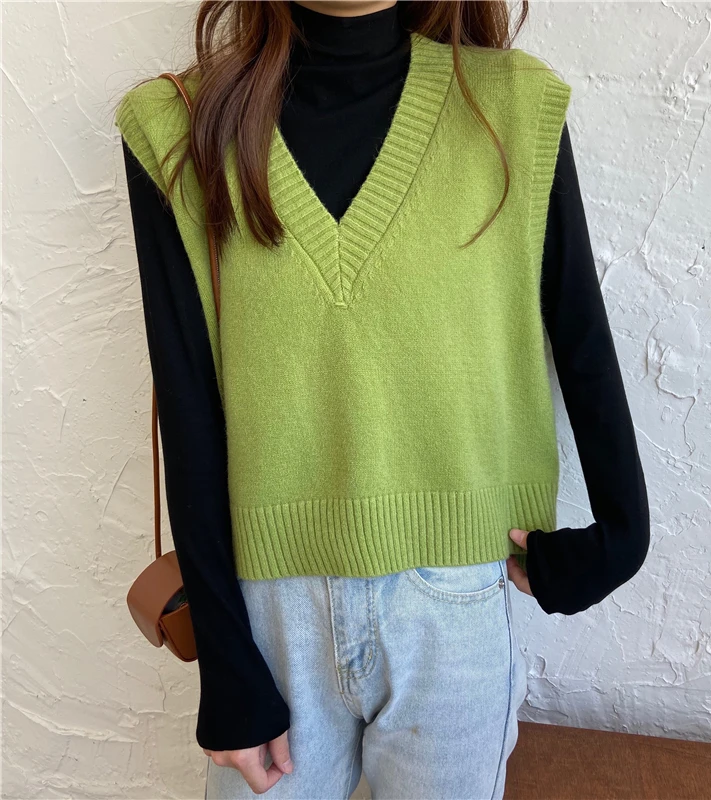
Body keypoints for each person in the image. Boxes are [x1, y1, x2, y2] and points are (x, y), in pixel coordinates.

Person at [115, 1, 650, 797]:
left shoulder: (511, 108)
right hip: (267, 614)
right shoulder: (178, 126)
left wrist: (622, 537)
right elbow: (188, 403)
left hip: (457, 603)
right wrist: (224, 662)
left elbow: (577, 330)